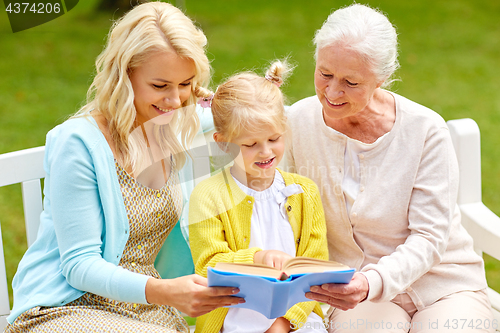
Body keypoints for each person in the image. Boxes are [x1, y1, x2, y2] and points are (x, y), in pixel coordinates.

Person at [5, 2, 242, 332]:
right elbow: (80, 265)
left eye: (186, 83)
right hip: (64, 308)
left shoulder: (175, 125)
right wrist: (164, 292)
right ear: (124, 75)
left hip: (145, 309)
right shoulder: (78, 142)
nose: (175, 100)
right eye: (160, 86)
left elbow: (254, 118)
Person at [285, 4, 494, 333]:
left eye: (351, 82)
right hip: (355, 295)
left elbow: (429, 236)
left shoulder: (425, 131)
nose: (332, 91)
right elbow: (280, 211)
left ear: (381, 78)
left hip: (444, 286)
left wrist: (372, 281)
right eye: (325, 73)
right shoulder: (297, 124)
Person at [188, 61, 329, 333]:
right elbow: (208, 266)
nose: (266, 152)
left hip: (296, 317)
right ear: (223, 143)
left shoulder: (304, 191)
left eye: (274, 138)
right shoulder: (207, 196)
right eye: (251, 144)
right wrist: (257, 258)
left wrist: (282, 324)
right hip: (231, 319)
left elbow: (316, 266)